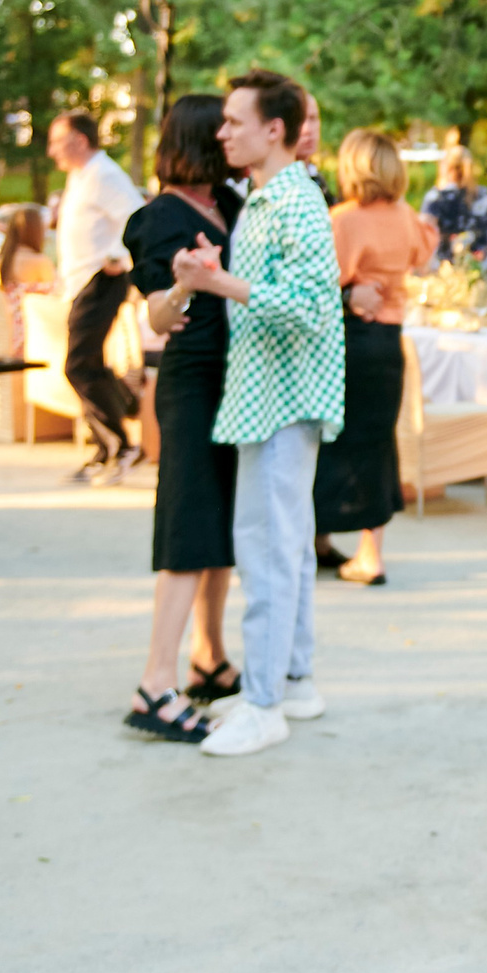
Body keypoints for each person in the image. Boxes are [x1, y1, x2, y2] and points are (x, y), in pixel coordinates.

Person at [170, 70, 346, 759]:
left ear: (274, 130)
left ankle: (267, 701)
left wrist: (218, 282)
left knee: (268, 550)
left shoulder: (293, 202)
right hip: (272, 397)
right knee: (286, 545)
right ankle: (292, 682)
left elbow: (307, 303)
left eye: (235, 121)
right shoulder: (275, 198)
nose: (223, 132)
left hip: (281, 399)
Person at [118, 96, 246, 744]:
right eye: (221, 125)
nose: (231, 133)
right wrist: (183, 286)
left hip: (240, 381)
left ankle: (210, 658)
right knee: (189, 527)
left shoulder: (233, 204)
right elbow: (158, 320)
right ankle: (155, 683)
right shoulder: (158, 217)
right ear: (199, 138)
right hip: (193, 381)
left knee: (218, 531)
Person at [314, 129, 437, 587]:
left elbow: (324, 281)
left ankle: (320, 535)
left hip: (347, 339)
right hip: (389, 341)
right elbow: (424, 253)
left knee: (329, 436)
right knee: (377, 441)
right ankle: (370, 552)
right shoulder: (407, 216)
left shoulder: (341, 220)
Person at [47, 109, 147, 485]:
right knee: (85, 363)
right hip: (80, 281)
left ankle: (121, 444)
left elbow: (136, 216)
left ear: (80, 140)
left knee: (79, 365)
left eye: (58, 141)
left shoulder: (104, 174)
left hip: (99, 281)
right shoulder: (81, 177)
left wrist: (119, 258)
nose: (52, 151)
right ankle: (106, 446)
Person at [421, 144, 487, 267]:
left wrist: (423, 267)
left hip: (446, 272)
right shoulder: (485, 197)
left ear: (445, 167)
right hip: (480, 269)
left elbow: (423, 232)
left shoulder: (437, 197)